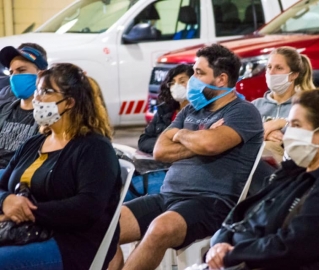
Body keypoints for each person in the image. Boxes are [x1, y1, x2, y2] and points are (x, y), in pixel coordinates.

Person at [109, 44, 263, 270]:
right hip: (167, 197)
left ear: (221, 79)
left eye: (199, 73)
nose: (192, 79)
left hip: (211, 203)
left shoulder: (243, 112)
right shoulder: (190, 111)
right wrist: (198, 137)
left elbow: (211, 145)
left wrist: (181, 135)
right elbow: (160, 150)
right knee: (106, 226)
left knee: (160, 228)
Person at [205, 89, 319, 270]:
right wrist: (221, 243)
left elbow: (295, 245)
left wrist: (231, 255)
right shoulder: (296, 171)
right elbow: (243, 213)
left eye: (296, 125)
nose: (288, 133)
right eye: (289, 125)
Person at [0, 63, 121, 270]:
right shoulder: (34, 143)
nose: (36, 98)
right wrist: (6, 200)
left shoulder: (94, 148)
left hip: (70, 243)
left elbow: (87, 207)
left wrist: (27, 211)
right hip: (24, 232)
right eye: (37, 90)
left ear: (70, 102)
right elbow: (2, 185)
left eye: (46, 91)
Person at [251, 46, 315, 164]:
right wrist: (264, 134)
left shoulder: (305, 105)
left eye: (278, 68)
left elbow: (310, 138)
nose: (271, 72)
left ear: (293, 75)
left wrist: (283, 124)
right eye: (269, 67)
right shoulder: (255, 105)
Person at [0, 43, 48, 170]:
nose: (15, 76)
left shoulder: (50, 116)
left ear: (41, 73)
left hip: (18, 181)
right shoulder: (4, 111)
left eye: (22, 70)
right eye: (11, 72)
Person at [138, 64, 193, 154]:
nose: (176, 86)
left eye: (182, 81)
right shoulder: (164, 110)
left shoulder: (202, 112)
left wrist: (164, 145)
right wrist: (167, 147)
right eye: (172, 83)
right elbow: (144, 140)